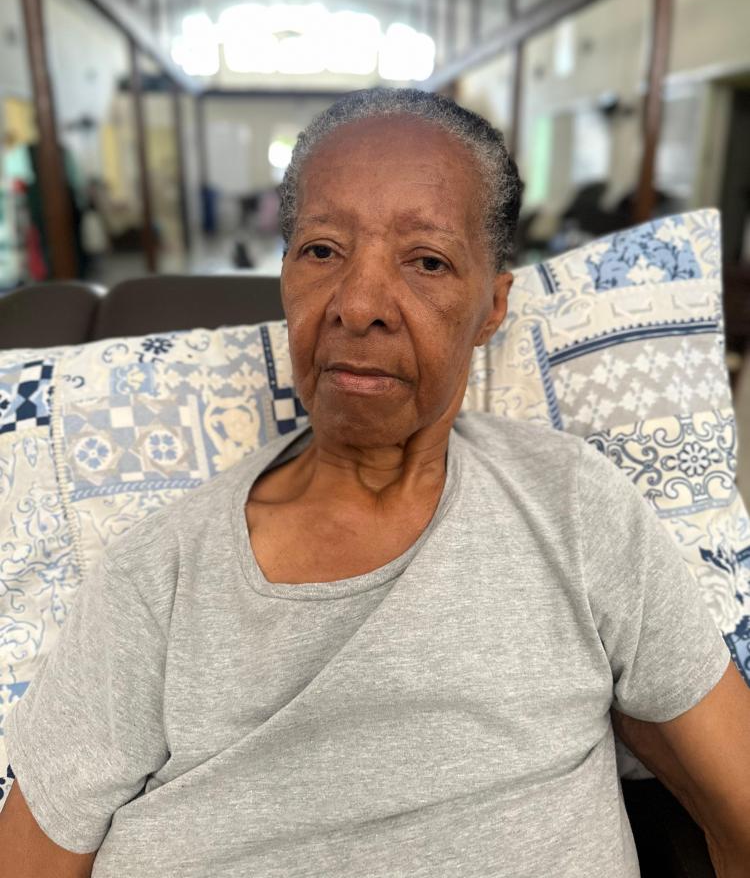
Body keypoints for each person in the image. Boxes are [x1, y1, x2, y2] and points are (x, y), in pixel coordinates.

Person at [2, 88, 749, 878]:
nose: (357, 306)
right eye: (322, 251)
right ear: (284, 275)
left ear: (493, 307)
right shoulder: (155, 577)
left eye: (427, 261)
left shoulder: (574, 506)